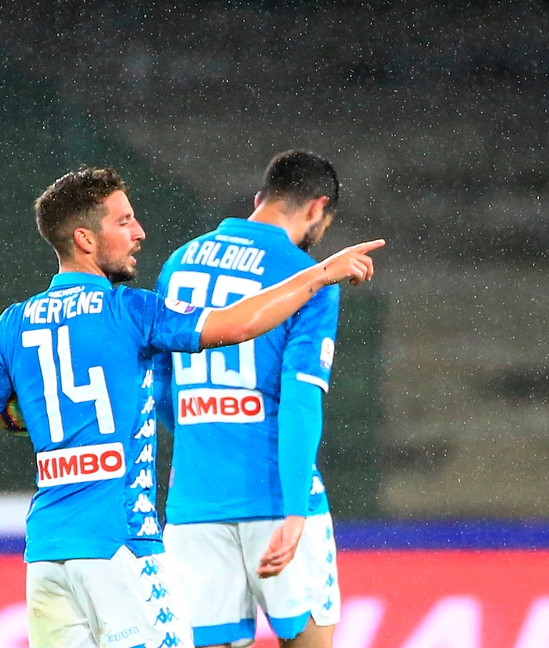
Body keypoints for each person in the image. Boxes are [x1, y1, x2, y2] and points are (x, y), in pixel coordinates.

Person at [0, 167, 381, 648]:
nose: (139, 232)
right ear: (85, 239)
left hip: (48, 552)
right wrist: (320, 274)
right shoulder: (130, 310)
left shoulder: (12, 323)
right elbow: (235, 326)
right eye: (124, 222)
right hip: (123, 543)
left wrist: (35, 413)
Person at [155, 150, 348, 648]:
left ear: (260, 198)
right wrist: (295, 510)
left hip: (194, 502)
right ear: (317, 207)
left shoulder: (178, 263)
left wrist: (207, 431)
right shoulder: (309, 276)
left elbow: (160, 385)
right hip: (275, 496)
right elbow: (301, 400)